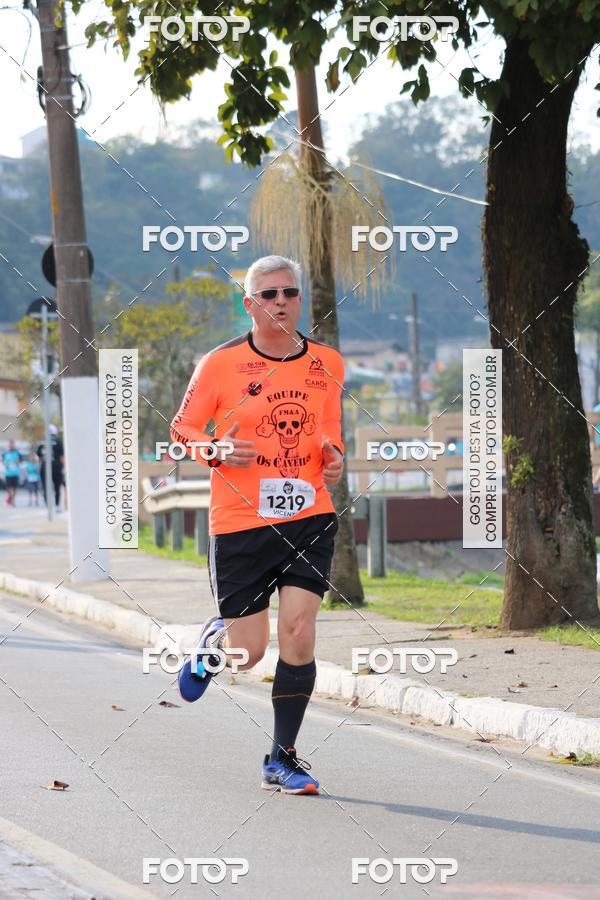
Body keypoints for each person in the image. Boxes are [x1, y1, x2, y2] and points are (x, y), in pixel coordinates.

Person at [170, 255, 344, 796]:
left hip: (308, 514)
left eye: (289, 293)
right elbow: (184, 430)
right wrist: (216, 448)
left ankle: (282, 757)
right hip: (241, 522)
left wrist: (334, 455)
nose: (281, 302)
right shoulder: (220, 365)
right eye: (268, 295)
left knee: (298, 630)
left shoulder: (327, 364)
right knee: (250, 653)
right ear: (249, 304)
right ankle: (218, 638)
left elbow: (329, 430)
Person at [37, 424, 65, 512]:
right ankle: (57, 505)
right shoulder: (58, 441)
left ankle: (47, 504)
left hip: (45, 467)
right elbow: (62, 457)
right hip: (56, 467)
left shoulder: (42, 442)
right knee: (57, 487)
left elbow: (39, 457)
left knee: (45, 487)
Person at [2, 440, 22, 507]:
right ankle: (10, 498)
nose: (11, 446)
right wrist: (5, 465)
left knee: (15, 488)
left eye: (12, 444)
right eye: (10, 444)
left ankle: (13, 501)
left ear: (14, 445)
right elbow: (2, 460)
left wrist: (18, 463)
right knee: (9, 488)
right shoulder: (5, 453)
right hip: (8, 473)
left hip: (16, 473)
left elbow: (21, 461)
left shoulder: (17, 453)